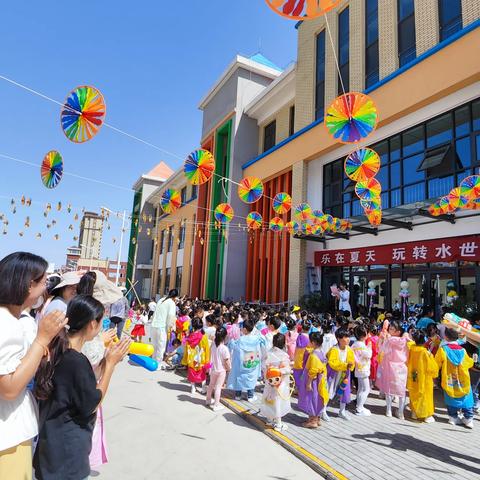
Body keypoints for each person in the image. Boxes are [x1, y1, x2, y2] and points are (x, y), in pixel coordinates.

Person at [33, 295, 131, 480]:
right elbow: (92, 403)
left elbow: (76, 386)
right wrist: (109, 366)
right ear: (92, 324)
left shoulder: (57, 351)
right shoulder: (76, 361)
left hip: (50, 449)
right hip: (68, 456)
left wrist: (106, 362)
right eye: (102, 321)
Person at [0, 252, 67, 479]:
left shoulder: (13, 320)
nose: (46, 287)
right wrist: (41, 339)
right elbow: (9, 387)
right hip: (8, 438)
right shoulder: (7, 324)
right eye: (44, 281)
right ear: (29, 285)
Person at [435, 327, 475, 428]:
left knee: (450, 397)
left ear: (446, 337)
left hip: (449, 379)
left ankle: (453, 418)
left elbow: (436, 364)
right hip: (463, 379)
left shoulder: (443, 349)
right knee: (466, 398)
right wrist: (473, 360)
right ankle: (468, 419)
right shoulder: (463, 350)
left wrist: (433, 375)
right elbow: (468, 363)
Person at [376, 319, 410, 419]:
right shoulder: (405, 340)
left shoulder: (389, 340)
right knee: (401, 391)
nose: (389, 330)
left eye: (392, 329)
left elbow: (382, 350)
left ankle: (389, 410)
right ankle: (400, 412)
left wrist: (382, 340)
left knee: (389, 389)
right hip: (402, 367)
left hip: (390, 366)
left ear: (398, 332)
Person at [227, 317, 265, 402]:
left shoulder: (240, 340)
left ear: (244, 329)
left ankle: (238, 395)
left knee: (239, 377)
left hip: (241, 363)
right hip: (252, 361)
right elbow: (260, 350)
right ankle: (250, 395)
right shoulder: (256, 339)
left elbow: (235, 350)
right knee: (251, 378)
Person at [260, 333, 291, 431]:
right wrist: (281, 371)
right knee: (278, 402)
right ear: (283, 343)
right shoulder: (284, 355)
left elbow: (264, 366)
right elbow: (287, 369)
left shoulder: (269, 353)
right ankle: (278, 423)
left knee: (269, 399)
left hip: (269, 381)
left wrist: (267, 376)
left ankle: (269, 419)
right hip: (279, 383)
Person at [298, 332, 329, 429]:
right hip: (321, 380)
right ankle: (317, 418)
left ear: (313, 342)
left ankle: (313, 421)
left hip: (314, 381)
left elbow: (313, 371)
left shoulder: (314, 355)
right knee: (318, 399)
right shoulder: (322, 352)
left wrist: (308, 383)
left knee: (312, 399)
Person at [407, 329, 438, 423]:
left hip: (413, 375)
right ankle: (427, 415)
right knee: (425, 395)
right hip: (424, 377)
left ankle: (414, 413)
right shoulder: (425, 352)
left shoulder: (411, 348)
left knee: (414, 392)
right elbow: (432, 367)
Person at [327, 328, 355, 420]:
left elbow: (352, 362)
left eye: (348, 337)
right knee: (327, 391)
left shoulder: (349, 350)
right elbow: (332, 363)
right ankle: (322, 411)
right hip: (333, 374)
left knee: (344, 392)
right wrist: (345, 365)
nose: (348, 339)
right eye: (345, 337)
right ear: (338, 338)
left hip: (344, 375)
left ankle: (342, 411)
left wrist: (350, 366)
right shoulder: (334, 350)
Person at [182, 317, 210, 394]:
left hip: (191, 359)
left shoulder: (189, 337)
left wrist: (185, 359)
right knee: (202, 374)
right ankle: (203, 388)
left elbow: (186, 349)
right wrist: (207, 361)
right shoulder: (204, 336)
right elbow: (207, 349)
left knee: (192, 374)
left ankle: (193, 388)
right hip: (201, 358)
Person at [151, 289, 178, 368]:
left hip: (153, 325)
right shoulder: (171, 303)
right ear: (175, 297)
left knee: (155, 345)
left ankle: (153, 361)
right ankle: (158, 365)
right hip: (162, 327)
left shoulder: (161, 300)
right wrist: (171, 327)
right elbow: (171, 317)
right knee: (161, 347)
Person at [206, 327, 231, 411]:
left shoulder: (213, 345)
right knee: (218, 387)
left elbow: (210, 357)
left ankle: (208, 400)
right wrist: (229, 368)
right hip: (221, 370)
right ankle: (216, 405)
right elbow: (227, 361)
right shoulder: (224, 348)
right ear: (225, 336)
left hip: (213, 369)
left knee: (211, 385)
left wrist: (208, 368)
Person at [352, 325, 373, 416]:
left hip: (358, 368)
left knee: (360, 388)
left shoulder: (355, 344)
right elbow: (368, 355)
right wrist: (369, 347)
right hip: (363, 369)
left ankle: (359, 406)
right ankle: (359, 408)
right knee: (366, 389)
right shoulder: (362, 345)